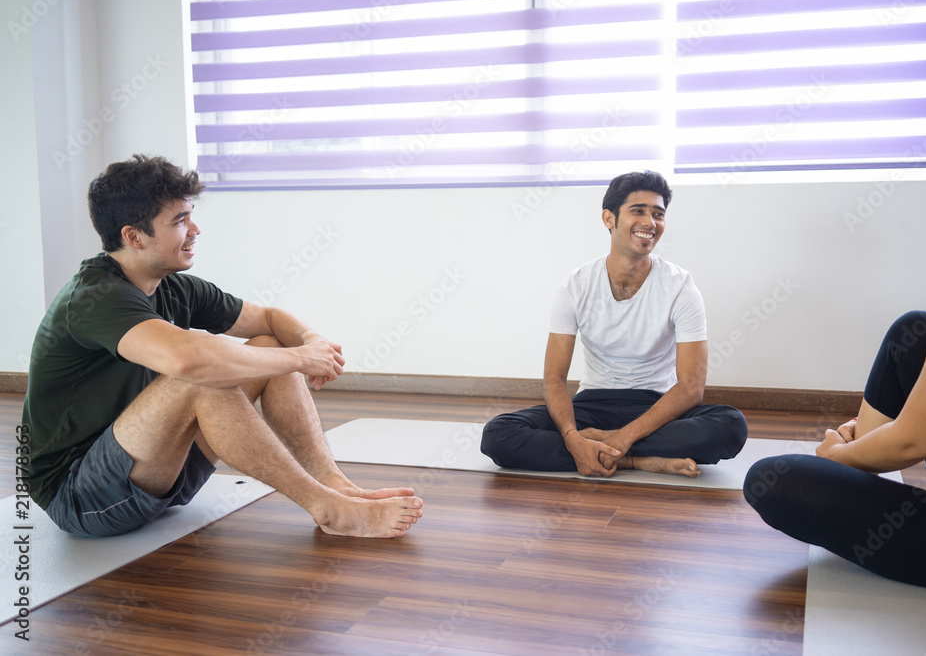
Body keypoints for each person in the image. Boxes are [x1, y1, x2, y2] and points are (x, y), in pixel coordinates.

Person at [23, 155, 422, 538]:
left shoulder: (174, 286)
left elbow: (268, 319)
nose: (195, 230)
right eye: (180, 220)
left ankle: (334, 484)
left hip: (160, 474)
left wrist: (311, 341)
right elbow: (189, 361)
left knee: (266, 346)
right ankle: (326, 508)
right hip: (81, 495)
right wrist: (301, 358)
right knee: (198, 375)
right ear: (133, 236)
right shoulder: (95, 298)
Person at [744, 143, 926, 595]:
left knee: (771, 480)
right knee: (916, 331)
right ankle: (864, 451)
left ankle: (854, 456)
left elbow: (913, 443)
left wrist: (834, 456)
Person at [480, 171, 748, 478]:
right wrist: (571, 435)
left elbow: (690, 387)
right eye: (638, 211)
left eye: (658, 214)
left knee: (731, 426)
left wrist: (618, 437)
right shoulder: (576, 285)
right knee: (498, 434)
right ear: (609, 218)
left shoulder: (680, 286)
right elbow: (554, 377)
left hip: (656, 405)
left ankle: (599, 451)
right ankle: (639, 461)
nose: (650, 222)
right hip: (594, 402)